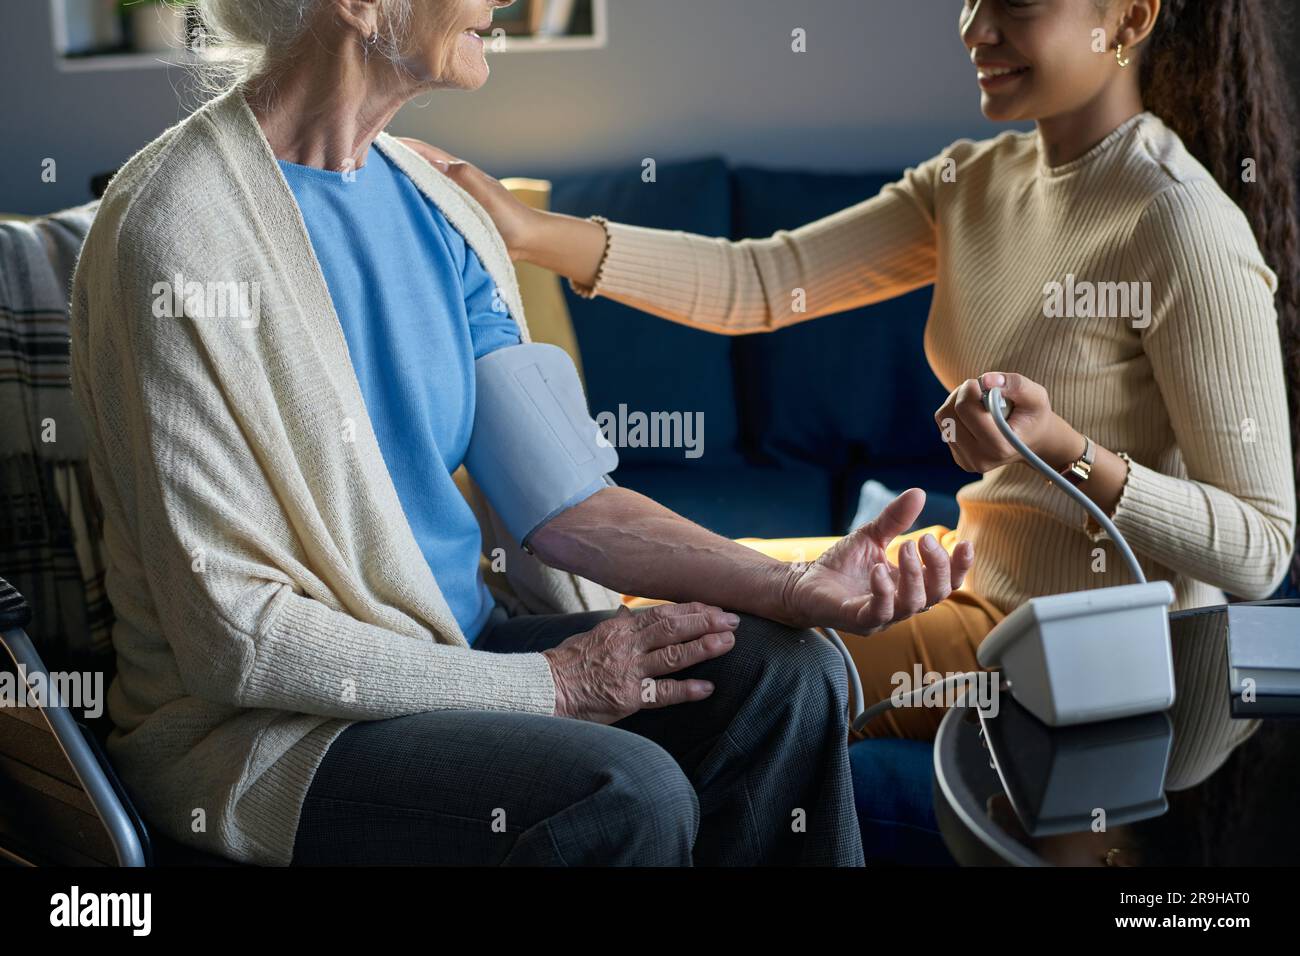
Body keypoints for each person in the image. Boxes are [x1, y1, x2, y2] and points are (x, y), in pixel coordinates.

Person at [69, 0, 972, 867]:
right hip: (267, 731)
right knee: (624, 792)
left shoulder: (438, 205)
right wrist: (549, 686)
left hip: (444, 654)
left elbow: (570, 504)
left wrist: (794, 583)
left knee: (785, 671)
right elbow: (238, 638)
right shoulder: (179, 230)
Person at [413, 0, 1299, 741]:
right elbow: (760, 282)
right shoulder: (973, 183)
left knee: (691, 664)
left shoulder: (1180, 225)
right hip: (973, 582)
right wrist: (529, 232)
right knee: (636, 597)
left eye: (1015, 5)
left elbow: (1261, 552)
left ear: (1130, 18)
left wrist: (1063, 449)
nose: (973, 28)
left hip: (1081, 658)